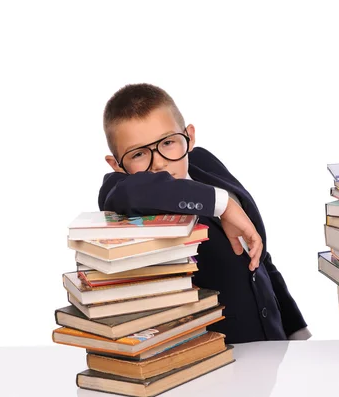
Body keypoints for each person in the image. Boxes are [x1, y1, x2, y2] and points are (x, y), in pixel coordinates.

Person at [98, 83, 310, 343]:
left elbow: (258, 257)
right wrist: (222, 204)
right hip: (212, 357)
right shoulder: (119, 190)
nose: (160, 162)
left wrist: (295, 329)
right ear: (116, 165)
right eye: (139, 154)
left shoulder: (205, 164)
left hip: (273, 346)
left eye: (168, 142)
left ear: (190, 136)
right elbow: (131, 194)